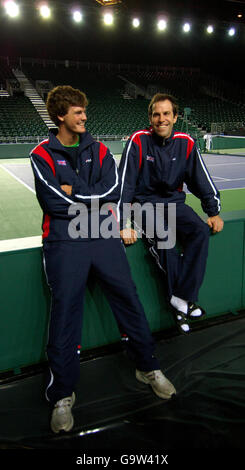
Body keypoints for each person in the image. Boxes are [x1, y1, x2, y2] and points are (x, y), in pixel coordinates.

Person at [30, 86, 176, 434]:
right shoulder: (41, 154)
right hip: (64, 242)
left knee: (129, 300)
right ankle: (62, 394)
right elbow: (54, 203)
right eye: (78, 112)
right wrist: (83, 198)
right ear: (61, 115)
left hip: (105, 236)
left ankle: (148, 367)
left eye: (84, 111)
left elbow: (111, 192)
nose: (84, 116)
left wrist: (74, 193)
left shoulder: (100, 150)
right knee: (65, 314)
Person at [119, 93, 224, 335]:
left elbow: (201, 179)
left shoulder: (186, 142)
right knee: (165, 237)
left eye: (167, 114)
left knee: (199, 231)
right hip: (142, 205)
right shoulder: (137, 141)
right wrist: (122, 222)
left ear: (175, 117)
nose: (161, 119)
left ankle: (181, 298)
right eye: (156, 114)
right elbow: (124, 185)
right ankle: (183, 301)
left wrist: (213, 211)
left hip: (173, 203)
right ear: (150, 118)